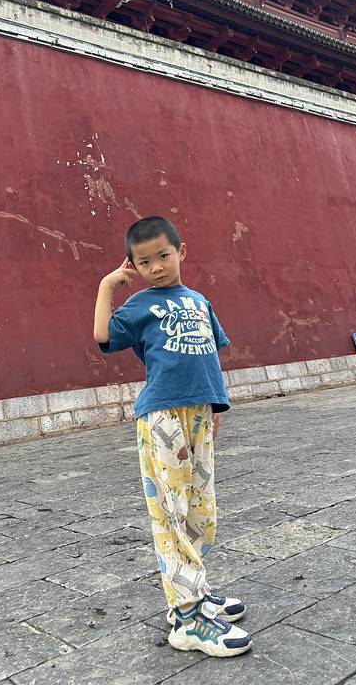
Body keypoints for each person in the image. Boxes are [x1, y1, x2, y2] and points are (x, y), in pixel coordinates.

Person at [93, 216, 251, 658]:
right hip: (162, 414)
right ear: (134, 265)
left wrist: (215, 406)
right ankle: (187, 619)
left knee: (201, 507)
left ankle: (194, 591)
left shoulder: (199, 301)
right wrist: (107, 286)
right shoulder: (140, 305)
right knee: (171, 510)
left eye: (163, 255)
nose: (156, 267)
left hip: (198, 413)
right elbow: (103, 336)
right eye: (144, 261)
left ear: (181, 252)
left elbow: (208, 357)